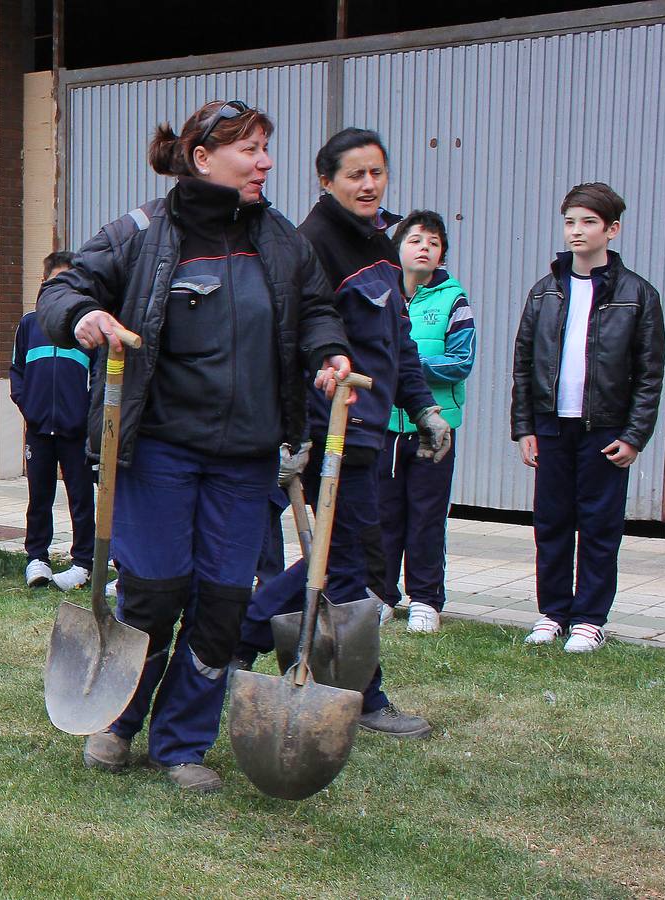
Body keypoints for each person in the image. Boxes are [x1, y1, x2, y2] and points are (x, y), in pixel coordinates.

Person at [39, 100, 353, 792]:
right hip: (156, 451)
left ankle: (180, 743)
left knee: (219, 604)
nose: (264, 161)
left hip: (244, 458)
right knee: (153, 593)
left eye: (266, 147)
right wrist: (85, 315)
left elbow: (315, 311)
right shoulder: (141, 231)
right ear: (202, 158)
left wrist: (328, 354)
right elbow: (62, 288)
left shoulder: (279, 240)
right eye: (248, 148)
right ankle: (116, 722)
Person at [243, 127, 443, 742]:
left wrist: (425, 409)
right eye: (354, 174)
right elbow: (291, 344)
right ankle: (359, 691)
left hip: (370, 432)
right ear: (325, 180)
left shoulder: (380, 245)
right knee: (344, 566)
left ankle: (238, 640)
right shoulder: (312, 247)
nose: (368, 184)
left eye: (376, 173)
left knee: (341, 564)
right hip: (330, 431)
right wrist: (295, 432)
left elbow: (398, 346)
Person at [514, 183, 665, 654]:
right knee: (552, 521)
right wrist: (525, 428)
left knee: (600, 525)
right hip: (552, 426)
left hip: (605, 429)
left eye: (588, 222)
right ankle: (553, 612)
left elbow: (649, 372)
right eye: (569, 222)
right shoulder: (545, 293)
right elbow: (523, 363)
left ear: (612, 229)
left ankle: (589, 618)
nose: (576, 232)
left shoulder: (638, 295)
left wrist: (635, 435)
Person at [378, 211, 474, 634]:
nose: (424, 248)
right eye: (416, 239)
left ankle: (426, 599)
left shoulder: (453, 300)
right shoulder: (380, 295)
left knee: (427, 515)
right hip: (384, 426)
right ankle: (380, 594)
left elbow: (459, 361)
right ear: (398, 248)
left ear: (441, 256)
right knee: (382, 514)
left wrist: (409, 365)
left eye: (433, 243)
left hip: (432, 428)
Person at [12, 250, 97, 591]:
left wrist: (85, 415)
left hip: (76, 431)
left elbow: (99, 381)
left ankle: (83, 562)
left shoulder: (88, 331)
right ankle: (37, 557)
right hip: (39, 429)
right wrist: (28, 406)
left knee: (80, 496)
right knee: (39, 494)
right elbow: (17, 372)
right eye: (56, 281)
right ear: (44, 283)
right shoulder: (30, 325)